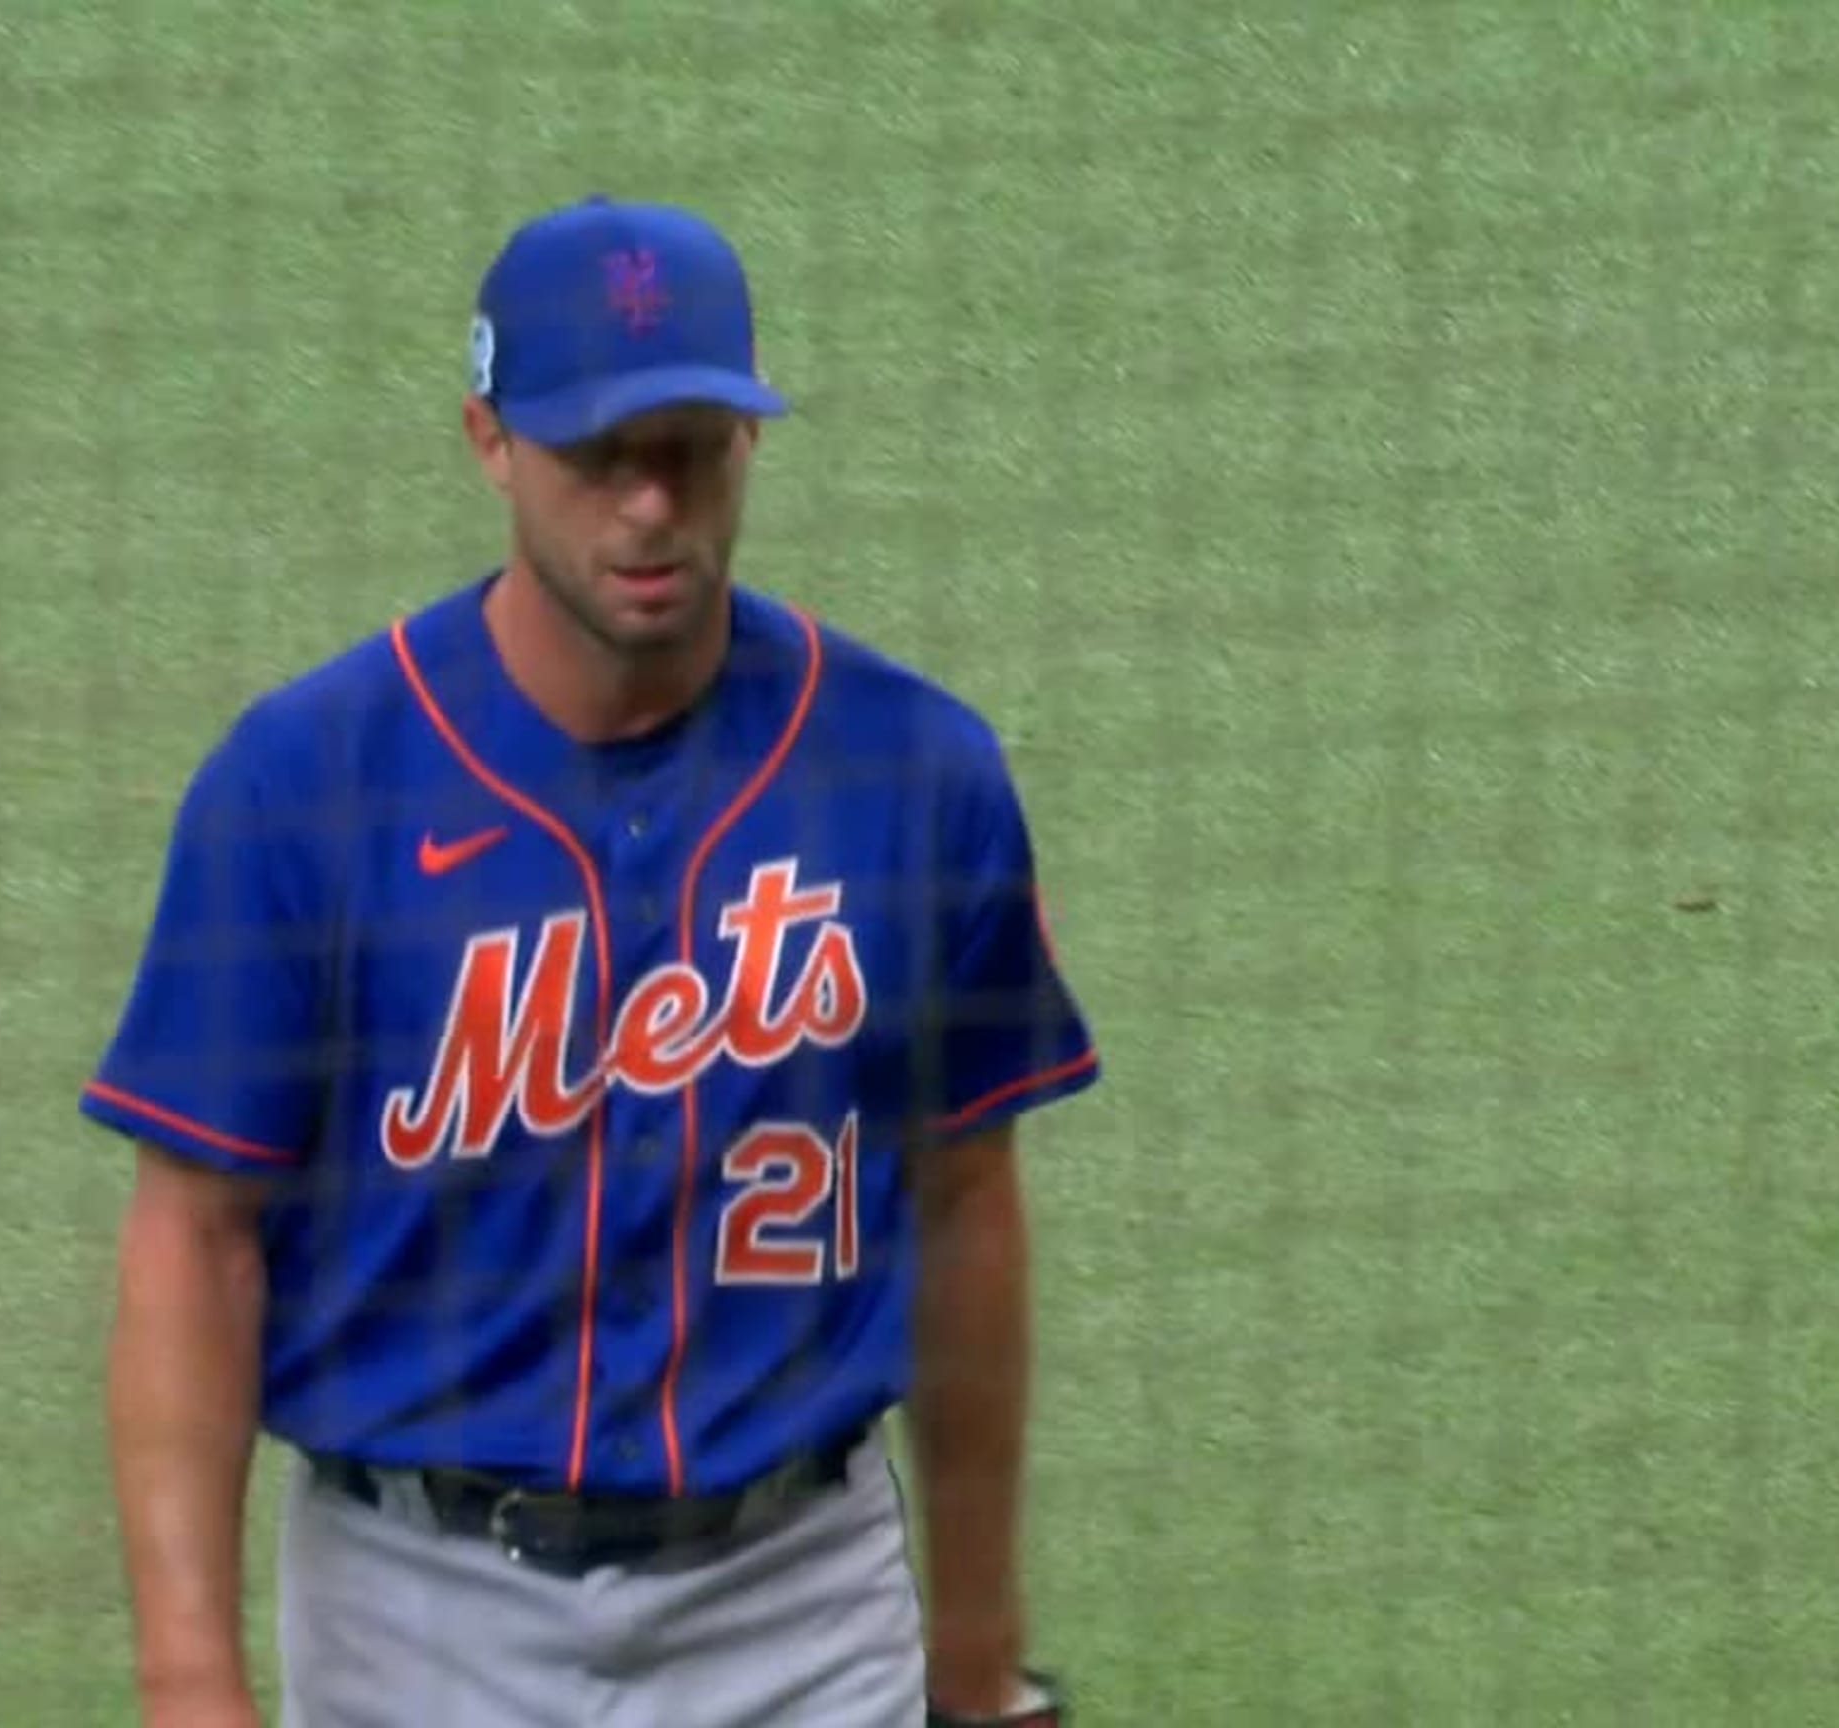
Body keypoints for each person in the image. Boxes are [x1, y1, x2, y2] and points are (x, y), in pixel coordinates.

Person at [82, 193, 1101, 1728]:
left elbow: (966, 1213)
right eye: (597, 457)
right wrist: (188, 1680)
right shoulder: (303, 784)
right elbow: (193, 1241)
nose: (648, 509)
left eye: (689, 450)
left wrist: (973, 1650)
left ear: (749, 442)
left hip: (801, 1605)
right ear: (491, 441)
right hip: (418, 1619)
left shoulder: (913, 775)